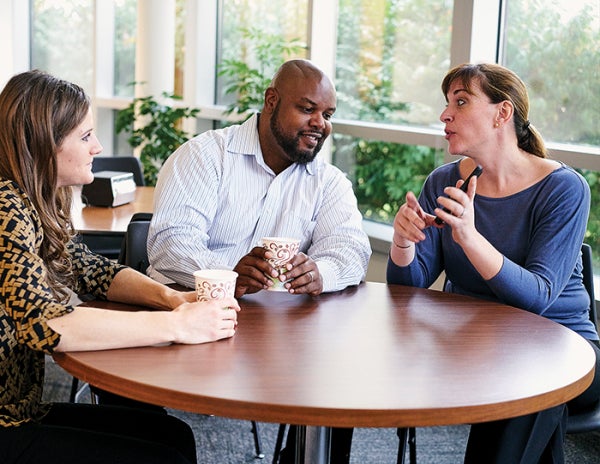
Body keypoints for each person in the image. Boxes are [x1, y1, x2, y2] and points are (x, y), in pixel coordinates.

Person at [0, 70, 240, 464]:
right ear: (43, 144)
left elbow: (92, 269)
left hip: (20, 415)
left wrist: (173, 299)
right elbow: (45, 324)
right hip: (6, 427)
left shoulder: (33, 202)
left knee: (171, 435)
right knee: (166, 457)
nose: (97, 146)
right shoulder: (6, 205)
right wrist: (177, 326)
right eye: (84, 136)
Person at [146, 59, 371, 464]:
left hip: (277, 340)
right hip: (183, 324)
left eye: (328, 114)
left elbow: (352, 249)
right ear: (272, 101)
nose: (320, 123)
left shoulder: (329, 181)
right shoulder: (205, 156)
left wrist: (321, 272)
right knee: (158, 440)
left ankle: (301, 456)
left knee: (341, 385)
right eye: (307, 109)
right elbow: (168, 243)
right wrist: (229, 273)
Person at [387, 63, 600, 463]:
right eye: (447, 103)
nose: (444, 115)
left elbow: (537, 297)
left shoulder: (563, 188)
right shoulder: (443, 182)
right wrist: (403, 243)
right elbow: (406, 291)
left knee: (531, 384)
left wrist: (468, 235)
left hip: (565, 348)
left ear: (503, 113)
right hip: (474, 347)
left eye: (461, 102)